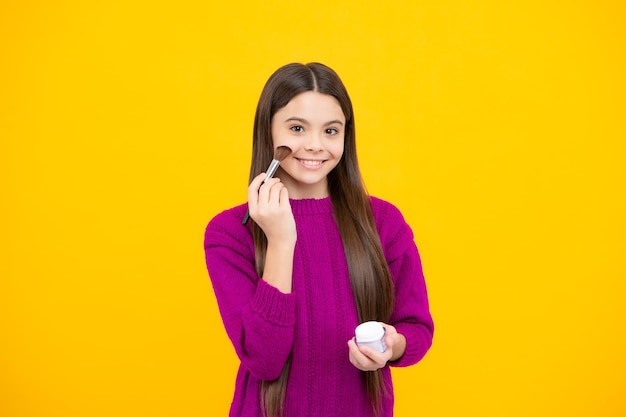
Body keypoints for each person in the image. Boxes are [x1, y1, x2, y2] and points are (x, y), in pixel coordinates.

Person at [203, 62, 434, 417]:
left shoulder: (384, 222)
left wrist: (392, 345)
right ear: (268, 131)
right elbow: (264, 360)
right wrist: (280, 241)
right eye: (297, 128)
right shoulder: (229, 232)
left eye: (331, 130)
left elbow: (416, 327)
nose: (314, 145)